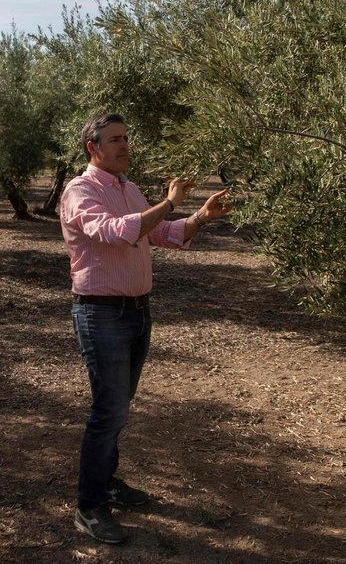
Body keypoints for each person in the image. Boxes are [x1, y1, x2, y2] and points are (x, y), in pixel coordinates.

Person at [60, 113, 232, 544]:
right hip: (100, 315)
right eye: (115, 140)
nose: (125, 146)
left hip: (136, 313)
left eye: (126, 139)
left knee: (118, 408)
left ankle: (107, 483)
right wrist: (169, 203)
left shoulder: (129, 189)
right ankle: (89, 505)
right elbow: (116, 232)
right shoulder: (79, 192)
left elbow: (162, 233)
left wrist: (200, 217)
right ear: (93, 148)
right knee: (108, 411)